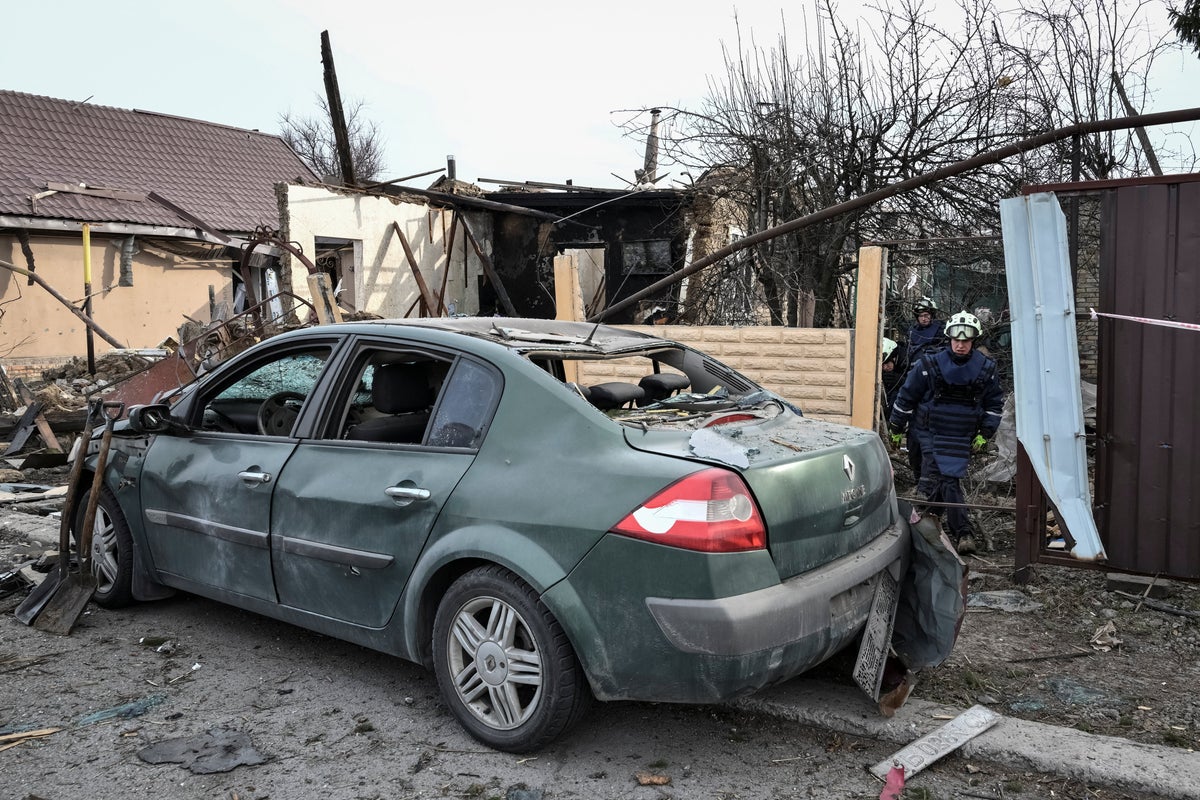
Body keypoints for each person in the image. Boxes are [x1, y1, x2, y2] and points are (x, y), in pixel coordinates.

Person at [888, 311, 1004, 555]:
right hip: (929, 431)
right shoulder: (928, 365)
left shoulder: (986, 368)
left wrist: (985, 434)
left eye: (966, 340)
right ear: (949, 338)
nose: (960, 345)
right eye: (956, 340)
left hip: (961, 435)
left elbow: (994, 405)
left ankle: (927, 521)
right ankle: (962, 532)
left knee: (942, 480)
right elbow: (906, 397)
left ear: (974, 340)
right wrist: (896, 429)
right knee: (943, 477)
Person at [905, 296, 946, 365]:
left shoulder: (941, 329)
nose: (923, 319)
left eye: (926, 315)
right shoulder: (912, 332)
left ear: (932, 315)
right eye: (920, 316)